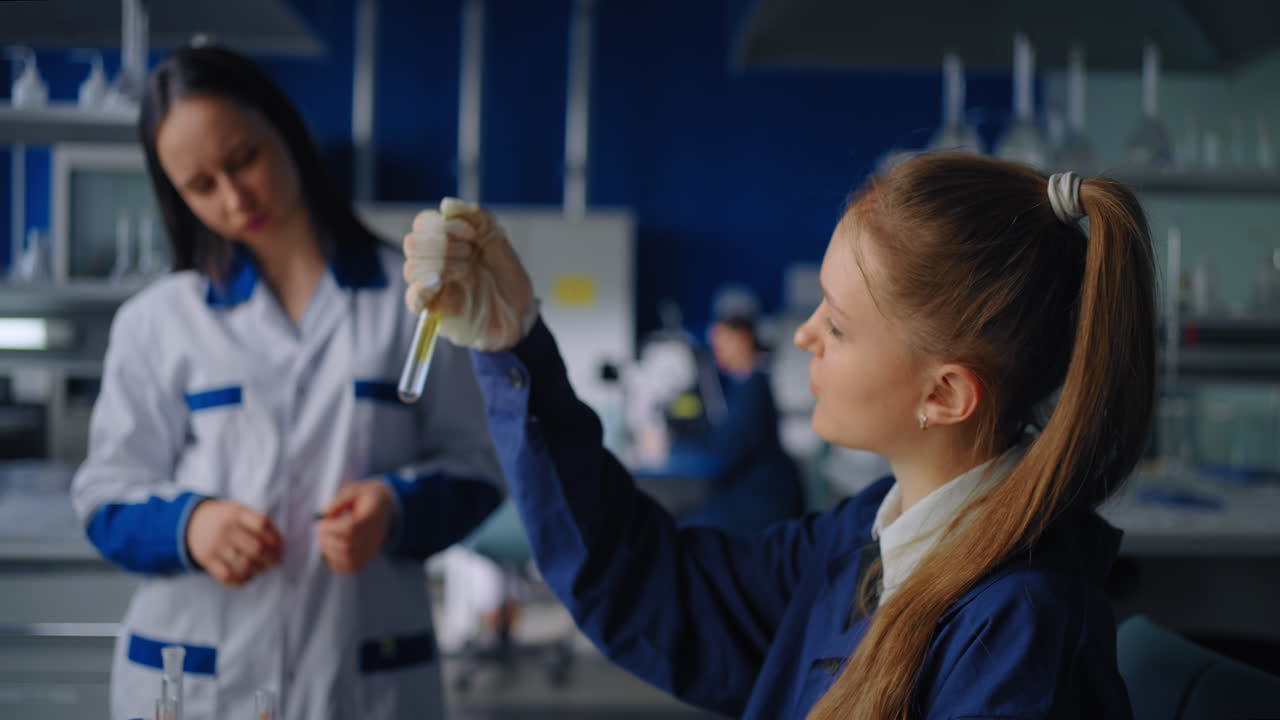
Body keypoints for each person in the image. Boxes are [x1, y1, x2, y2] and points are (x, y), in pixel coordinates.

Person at [404, 153, 1155, 718]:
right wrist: (513, 342)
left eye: (835, 323)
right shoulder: (866, 538)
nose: (802, 337)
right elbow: (650, 583)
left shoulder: (1020, 633)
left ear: (946, 393)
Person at [70, 46, 504, 720]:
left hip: (363, 676)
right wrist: (192, 526)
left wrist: (394, 508)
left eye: (244, 159)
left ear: (285, 130)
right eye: (201, 186)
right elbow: (104, 500)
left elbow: (478, 470)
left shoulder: (413, 300)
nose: (235, 199)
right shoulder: (159, 321)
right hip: (197, 680)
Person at [675, 286, 804, 534]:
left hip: (762, 500)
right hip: (749, 493)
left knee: (684, 530)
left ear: (742, 339)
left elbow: (726, 448)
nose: (717, 352)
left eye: (721, 343)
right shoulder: (742, 384)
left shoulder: (755, 387)